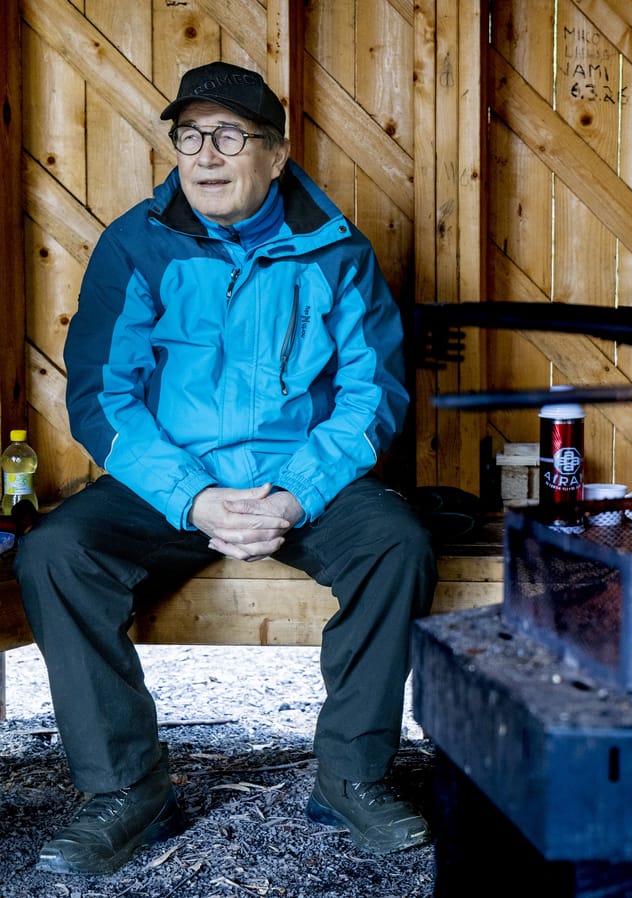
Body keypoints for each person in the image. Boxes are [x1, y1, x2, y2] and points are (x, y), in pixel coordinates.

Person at [15, 61, 435, 875]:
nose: (206, 155)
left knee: (399, 543)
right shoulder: (136, 244)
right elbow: (104, 397)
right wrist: (194, 497)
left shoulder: (336, 251)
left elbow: (370, 395)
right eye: (189, 136)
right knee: (54, 552)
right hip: (170, 481)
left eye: (230, 136)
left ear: (277, 154)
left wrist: (295, 494)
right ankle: (128, 791)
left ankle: (351, 775)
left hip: (302, 478)